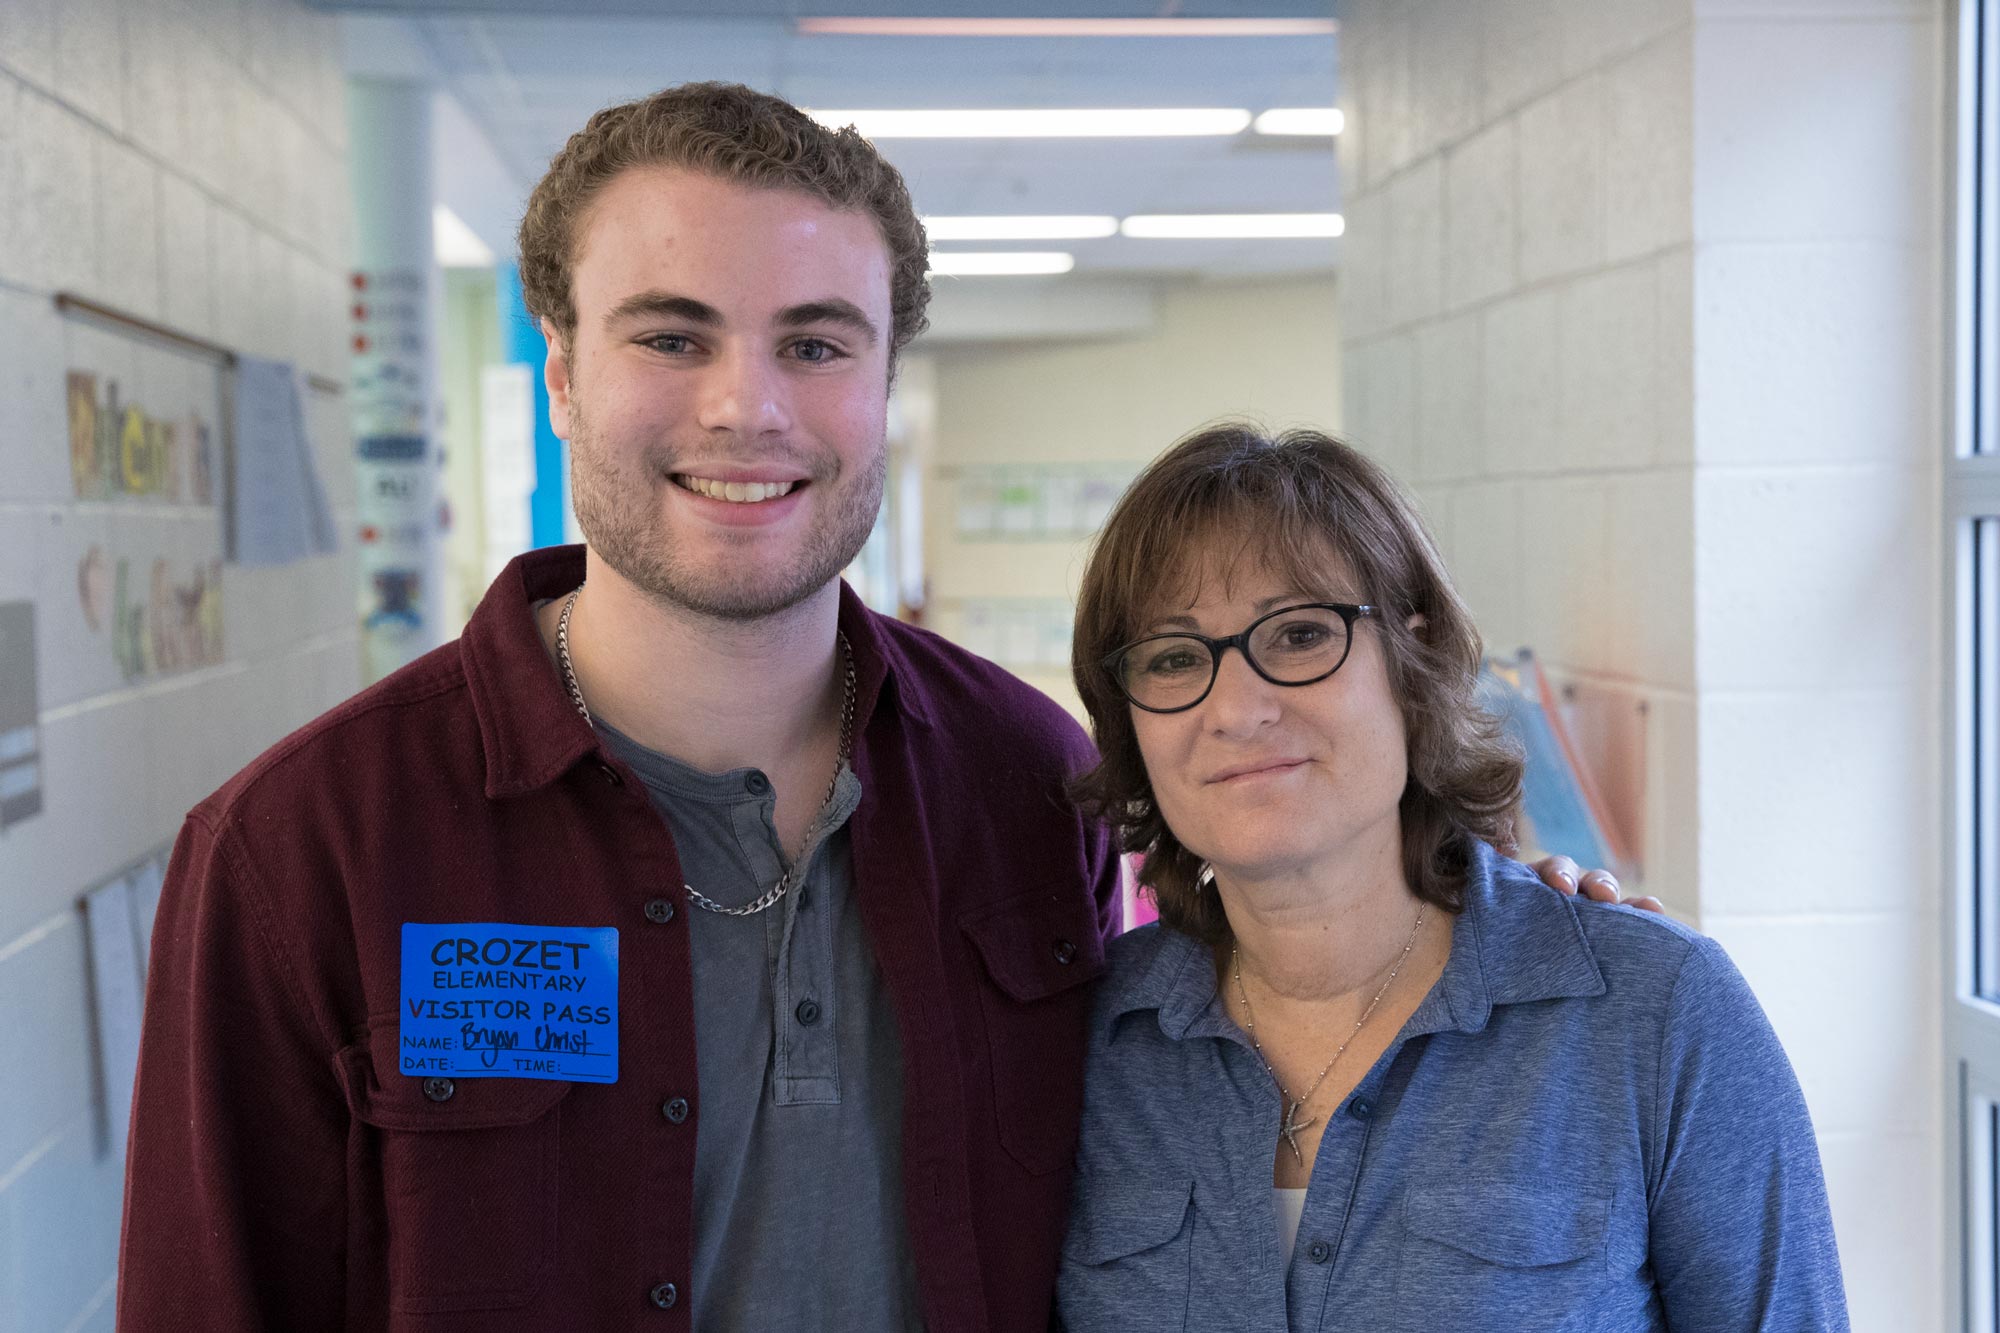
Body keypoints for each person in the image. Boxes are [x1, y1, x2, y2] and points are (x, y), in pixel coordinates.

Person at [117, 85, 1632, 1332]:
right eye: (671, 334)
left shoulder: (1029, 781)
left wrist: (1488, 913)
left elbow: (1249, 998)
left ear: (885, 381)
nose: (746, 405)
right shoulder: (303, 850)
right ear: (564, 375)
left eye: (815, 342)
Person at [1055, 423, 1848, 1332]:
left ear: (1411, 657)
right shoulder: (1093, 1041)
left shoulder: (1654, 1013)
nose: (1236, 707)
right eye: (1172, 657)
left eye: (1301, 633)